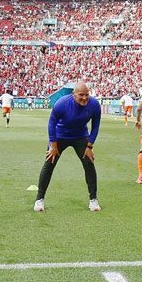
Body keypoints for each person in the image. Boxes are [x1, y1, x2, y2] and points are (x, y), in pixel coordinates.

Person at [36, 82, 101, 212]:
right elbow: (51, 123)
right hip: (60, 136)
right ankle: (39, 200)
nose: (84, 98)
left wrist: (89, 145)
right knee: (49, 163)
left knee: (89, 164)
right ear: (73, 95)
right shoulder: (62, 103)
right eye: (81, 95)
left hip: (80, 136)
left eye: (87, 95)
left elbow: (95, 126)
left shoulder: (94, 104)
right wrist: (53, 145)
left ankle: (93, 200)